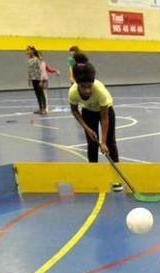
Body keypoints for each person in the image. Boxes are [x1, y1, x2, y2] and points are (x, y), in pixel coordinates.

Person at [67, 53, 122, 191]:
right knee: (92, 144)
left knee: (110, 143)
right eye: (83, 86)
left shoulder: (100, 91)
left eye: (89, 86)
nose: (87, 90)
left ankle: (117, 178)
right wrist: (87, 128)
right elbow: (74, 111)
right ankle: (93, 174)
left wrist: (103, 142)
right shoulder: (73, 92)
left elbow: (104, 117)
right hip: (88, 112)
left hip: (105, 111)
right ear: (77, 84)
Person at [26, 45, 47, 114]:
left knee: (41, 94)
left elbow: (41, 70)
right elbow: (29, 70)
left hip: (38, 79)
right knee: (37, 94)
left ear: (32, 51)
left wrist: (41, 80)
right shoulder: (29, 60)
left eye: (28, 50)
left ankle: (44, 109)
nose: (27, 52)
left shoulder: (37, 59)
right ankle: (40, 108)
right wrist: (29, 80)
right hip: (33, 79)